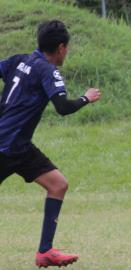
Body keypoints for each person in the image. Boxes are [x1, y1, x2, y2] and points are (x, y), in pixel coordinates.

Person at [0, 20, 101, 267]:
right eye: (67, 48)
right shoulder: (48, 70)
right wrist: (85, 98)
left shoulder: (18, 60)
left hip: (20, 148)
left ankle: (45, 251)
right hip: (4, 147)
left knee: (58, 184)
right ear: (61, 47)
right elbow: (63, 107)